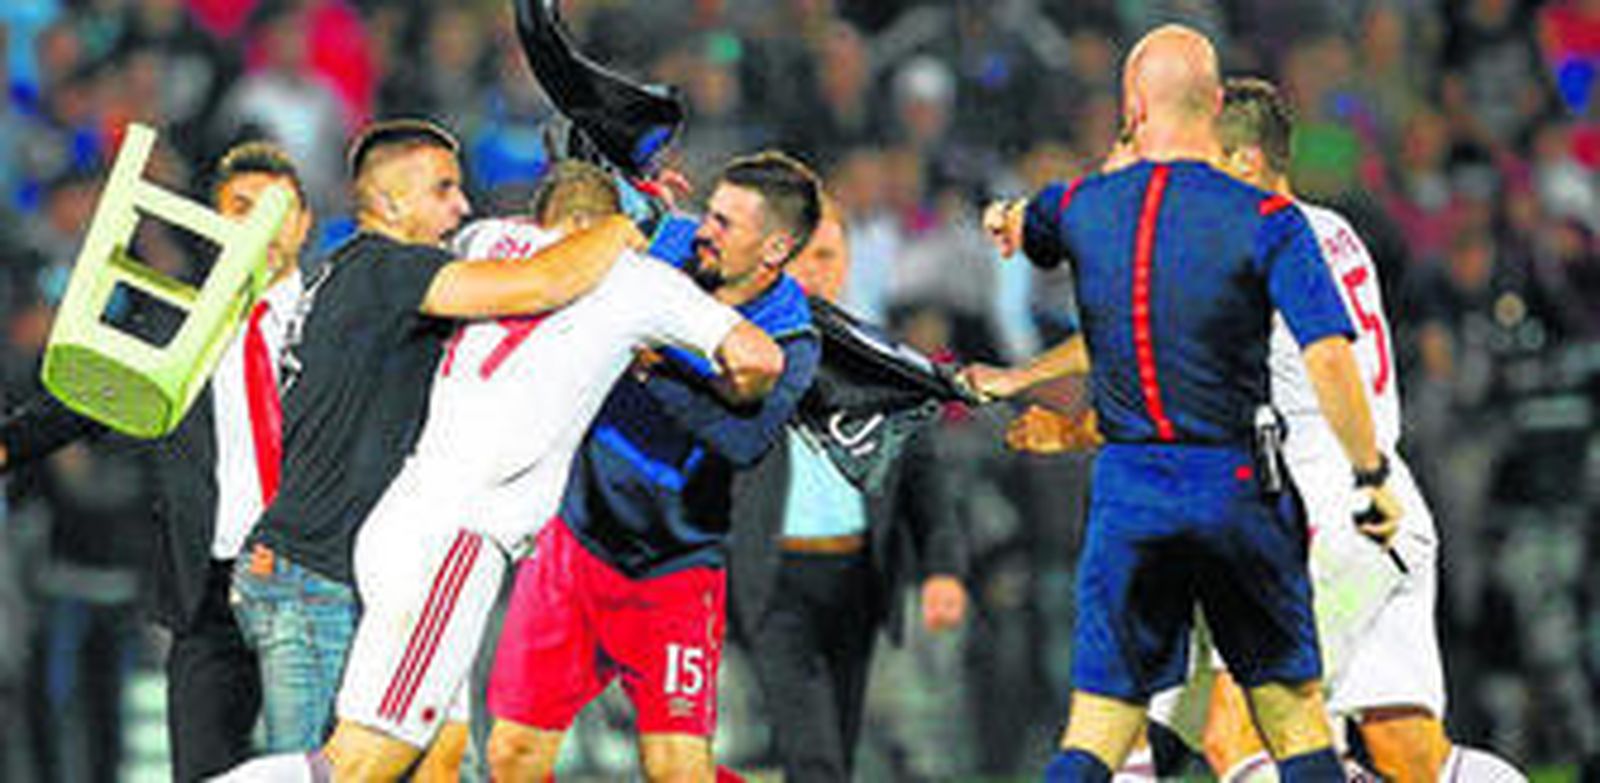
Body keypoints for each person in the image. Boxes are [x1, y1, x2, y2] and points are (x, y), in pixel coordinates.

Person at [966, 25, 1399, 781]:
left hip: (1130, 492)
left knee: (1097, 730)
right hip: (1240, 488)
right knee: (1295, 722)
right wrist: (1369, 474)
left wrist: (1005, 214)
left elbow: (1027, 217)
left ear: (1131, 109)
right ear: (1220, 101)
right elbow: (1330, 353)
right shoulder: (1268, 220)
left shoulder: (1082, 206)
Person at [278, 157, 779, 781]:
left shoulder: (488, 242)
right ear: (607, 226)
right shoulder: (638, 280)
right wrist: (715, 388)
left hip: (401, 518)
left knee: (438, 760)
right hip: (460, 536)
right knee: (360, 764)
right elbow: (760, 359)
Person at [225, 118, 644, 762]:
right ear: (391, 202)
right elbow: (539, 283)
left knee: (439, 762)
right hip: (316, 574)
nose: (462, 204)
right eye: (444, 189)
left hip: (337, 568)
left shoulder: (352, 271)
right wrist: (624, 226)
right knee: (330, 771)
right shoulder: (392, 271)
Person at [1180, 76, 1525, 783]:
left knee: (1235, 730)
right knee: (1411, 755)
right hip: (1391, 510)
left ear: (1246, 163)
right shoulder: (1334, 231)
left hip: (1325, 513)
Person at [485, 151, 824, 782]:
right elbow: (572, 173)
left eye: (726, 224)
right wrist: (621, 185)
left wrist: (653, 361)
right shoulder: (665, 238)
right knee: (512, 757)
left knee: (676, 772)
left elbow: (742, 439)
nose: (704, 230)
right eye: (710, 212)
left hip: (675, 572)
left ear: (774, 248)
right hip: (576, 544)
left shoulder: (791, 337)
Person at [0, 140, 312, 781]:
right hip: (210, 593)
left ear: (305, 221)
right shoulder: (176, 323)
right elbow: (76, 405)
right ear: (215, 220)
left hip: (314, 585)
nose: (259, 226)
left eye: (275, 209)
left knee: (313, 769)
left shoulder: (341, 315)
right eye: (240, 208)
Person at [726, 201, 969, 782]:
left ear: (848, 263)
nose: (816, 271)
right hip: (772, 576)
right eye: (803, 257)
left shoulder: (882, 359)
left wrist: (942, 567)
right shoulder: (747, 353)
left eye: (828, 256)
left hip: (858, 577)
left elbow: (922, 477)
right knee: (814, 755)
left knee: (837, 740)